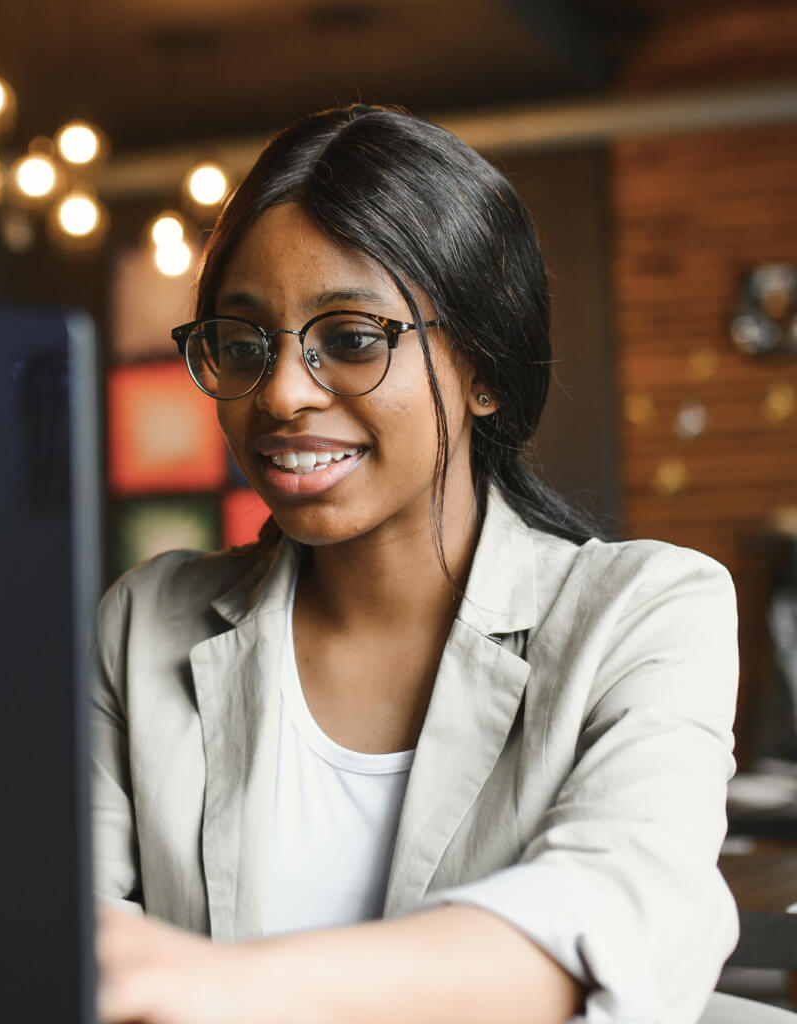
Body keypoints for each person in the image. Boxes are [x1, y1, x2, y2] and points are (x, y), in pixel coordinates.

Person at [91, 105, 744, 1024]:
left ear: (485, 368)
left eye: (353, 340)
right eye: (243, 345)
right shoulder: (143, 619)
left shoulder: (646, 612)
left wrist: (225, 988)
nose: (281, 393)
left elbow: (622, 912)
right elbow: (57, 929)